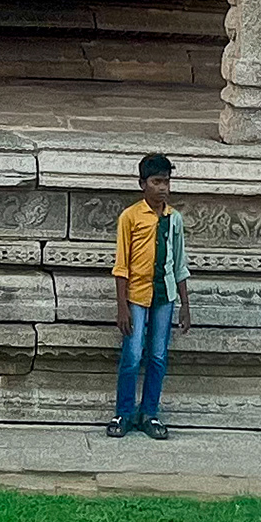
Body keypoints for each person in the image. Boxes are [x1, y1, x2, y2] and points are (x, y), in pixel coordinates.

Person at [109, 152, 189, 437]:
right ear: (143, 184)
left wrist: (184, 305)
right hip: (137, 295)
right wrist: (122, 306)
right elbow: (121, 265)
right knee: (132, 356)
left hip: (164, 295)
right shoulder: (130, 217)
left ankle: (150, 413)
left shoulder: (174, 219)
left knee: (157, 356)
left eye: (166, 182)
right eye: (156, 182)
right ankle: (124, 413)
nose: (163, 188)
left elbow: (179, 264)